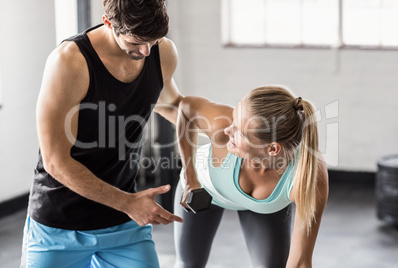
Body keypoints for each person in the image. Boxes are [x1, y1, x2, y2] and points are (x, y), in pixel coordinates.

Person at [21, 0, 184, 267]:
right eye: (135, 44)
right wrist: (128, 203)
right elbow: (55, 161)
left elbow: (173, 104)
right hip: (59, 225)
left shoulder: (161, 51)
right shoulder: (69, 61)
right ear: (109, 23)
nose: (145, 51)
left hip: (123, 222)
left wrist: (231, 129)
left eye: (153, 41)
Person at [174, 85, 329, 268]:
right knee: (188, 264)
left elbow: (301, 261)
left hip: (261, 207)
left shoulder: (307, 174)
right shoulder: (220, 126)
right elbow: (185, 108)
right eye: (234, 119)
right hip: (204, 189)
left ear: (272, 149)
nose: (227, 130)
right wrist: (190, 176)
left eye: (239, 132)